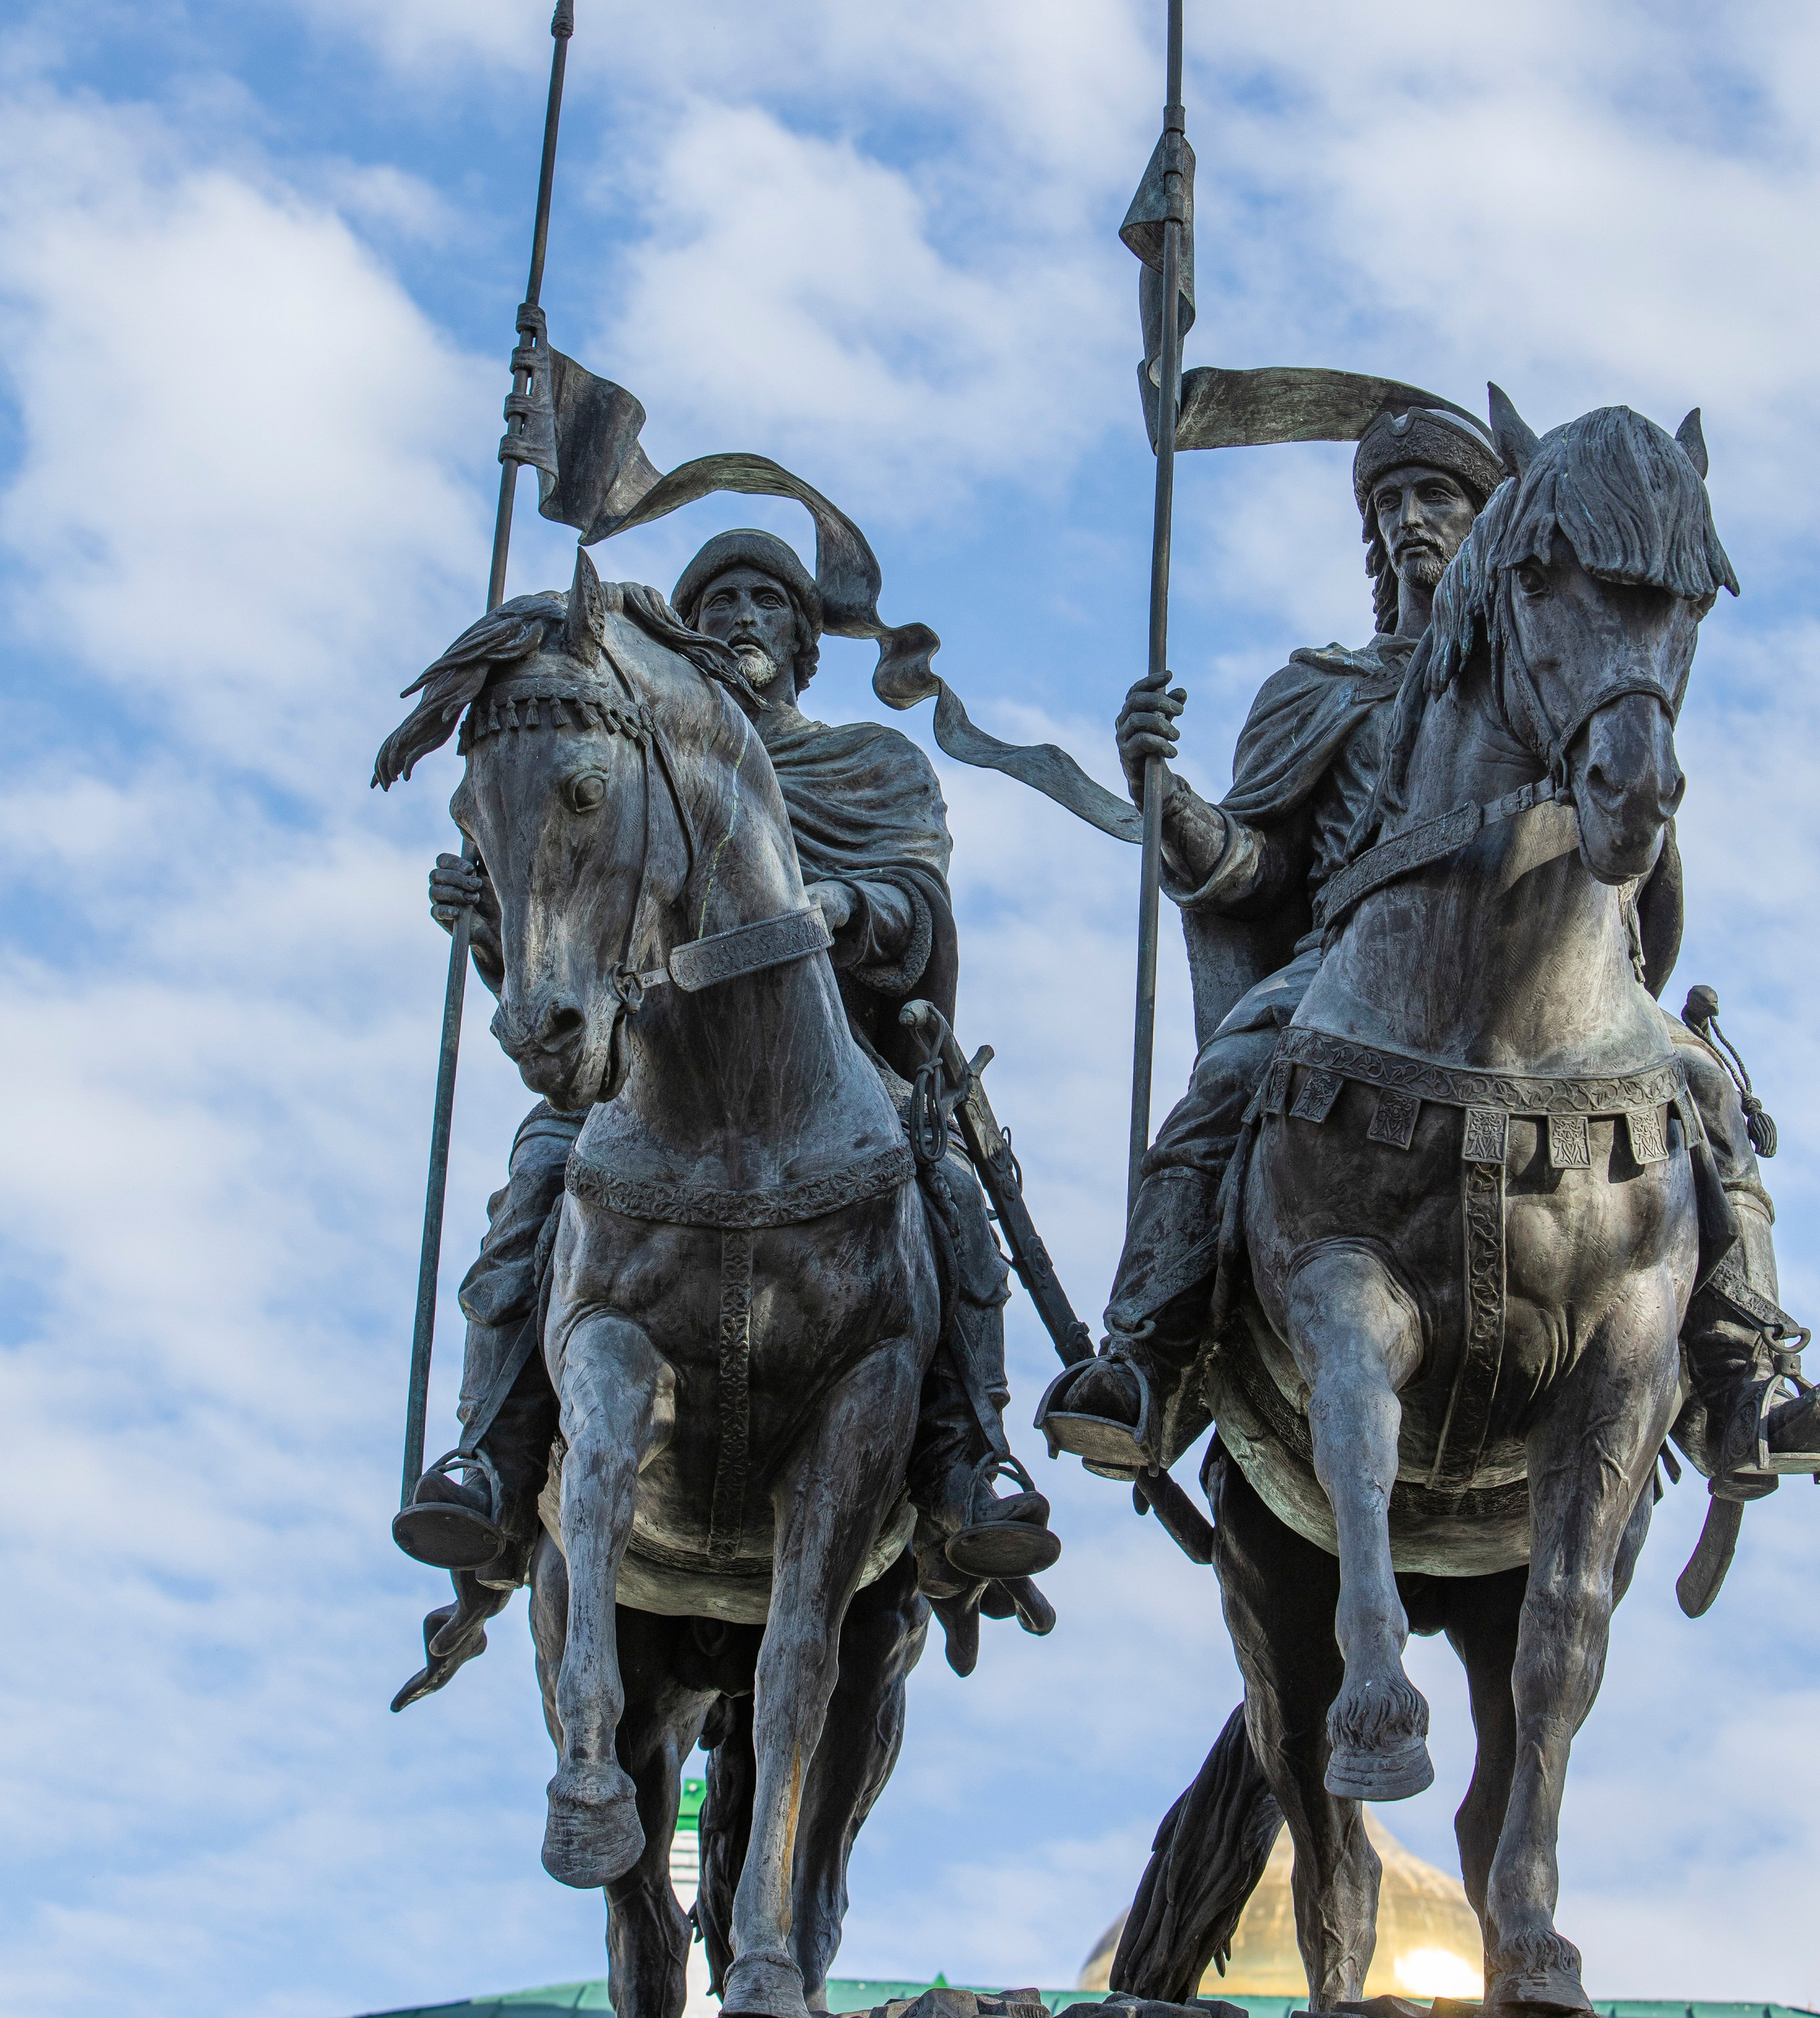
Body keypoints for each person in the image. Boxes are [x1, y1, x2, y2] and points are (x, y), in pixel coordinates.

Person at [1043, 404, 1806, 1512]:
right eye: (1389, 503)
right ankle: (1149, 1360)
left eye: (1436, 498)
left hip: (1558, 981)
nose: (1409, 521)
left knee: (1705, 1092)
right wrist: (1171, 806)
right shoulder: (1322, 685)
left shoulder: (1559, 662)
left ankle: (1740, 1378)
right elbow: (1257, 867)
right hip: (1355, 973)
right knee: (1228, 1077)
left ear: (1500, 522)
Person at [397, 530, 1057, 1695]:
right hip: (647, 1074)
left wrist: (850, 902)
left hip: (846, 1067)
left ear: (806, 641)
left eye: (769, 601)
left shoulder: (872, 761)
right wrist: (494, 920)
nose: (747, 616)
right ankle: (493, 1458)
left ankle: (967, 1460)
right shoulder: (634, 763)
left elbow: (919, 905)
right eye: (723, 601)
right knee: (538, 1173)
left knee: (950, 1189)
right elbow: (577, 947)